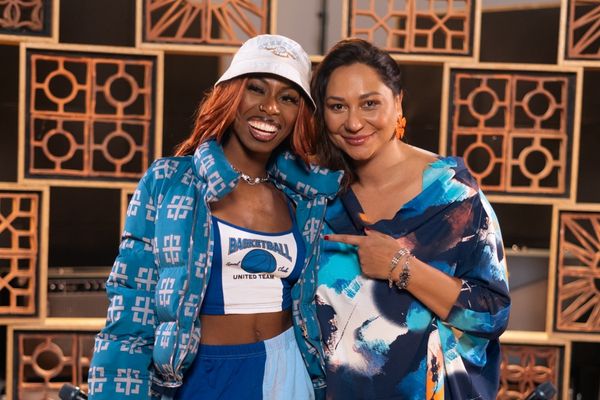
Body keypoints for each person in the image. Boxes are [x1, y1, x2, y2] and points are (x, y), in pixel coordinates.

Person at [87, 34, 342, 400]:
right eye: (256, 89)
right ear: (231, 94)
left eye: (288, 98)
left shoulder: (304, 198)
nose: (271, 108)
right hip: (202, 376)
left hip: (287, 371)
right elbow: (131, 303)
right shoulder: (171, 182)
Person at [310, 39, 511, 399]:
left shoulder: (453, 196)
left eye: (370, 103)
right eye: (337, 106)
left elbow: (491, 313)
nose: (353, 122)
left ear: (398, 102)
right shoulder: (318, 197)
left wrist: (401, 266)